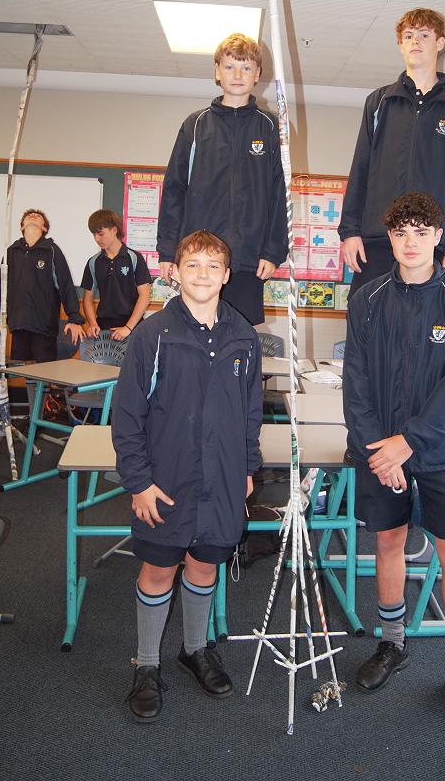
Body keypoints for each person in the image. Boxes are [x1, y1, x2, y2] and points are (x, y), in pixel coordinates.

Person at [343, 191, 445, 724]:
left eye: (420, 232)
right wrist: (380, 449)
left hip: (440, 450)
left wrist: (409, 442)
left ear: (438, 237)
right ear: (390, 238)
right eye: (400, 233)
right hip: (379, 449)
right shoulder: (366, 298)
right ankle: (392, 643)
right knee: (388, 544)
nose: (410, 242)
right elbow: (356, 383)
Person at [112, 229, 262, 723]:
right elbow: (127, 416)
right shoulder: (152, 334)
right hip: (166, 480)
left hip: (221, 480)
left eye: (212, 266)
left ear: (227, 275)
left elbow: (251, 412)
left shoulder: (243, 336)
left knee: (204, 566)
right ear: (174, 273)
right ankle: (147, 664)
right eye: (192, 265)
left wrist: (247, 468)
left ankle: (195, 649)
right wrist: (138, 481)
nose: (202, 274)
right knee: (158, 569)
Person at [339, 8, 445, 297]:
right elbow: (360, 168)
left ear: (440, 42)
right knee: (367, 316)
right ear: (400, 44)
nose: (415, 41)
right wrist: (350, 231)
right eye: (409, 36)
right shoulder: (379, 102)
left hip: (430, 241)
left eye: (424, 35)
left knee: (424, 320)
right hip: (378, 238)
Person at [156, 33, 288, 325]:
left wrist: (273, 251)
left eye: (245, 67)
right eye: (229, 67)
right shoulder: (195, 125)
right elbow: (174, 190)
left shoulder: (270, 128)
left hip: (248, 260)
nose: (237, 75)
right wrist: (167, 251)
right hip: (199, 259)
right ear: (217, 71)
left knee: (238, 336)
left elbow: (280, 195)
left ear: (258, 74)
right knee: (193, 330)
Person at [0, 208, 83, 362]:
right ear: (22, 227)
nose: (33, 216)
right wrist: (0, 320)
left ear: (44, 228)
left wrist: (74, 318)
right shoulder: (11, 252)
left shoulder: (51, 251)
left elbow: (65, 285)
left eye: (38, 216)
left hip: (44, 326)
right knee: (20, 368)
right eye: (28, 215)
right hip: (19, 324)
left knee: (43, 371)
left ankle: (43, 381)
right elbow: (3, 289)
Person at [81, 209, 152, 341]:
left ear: (114, 230)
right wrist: (92, 323)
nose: (97, 239)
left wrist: (128, 328)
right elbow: (88, 298)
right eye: (94, 234)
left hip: (132, 327)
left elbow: (145, 296)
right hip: (103, 328)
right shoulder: (93, 262)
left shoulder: (135, 258)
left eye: (101, 234)